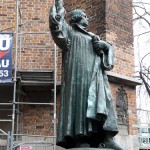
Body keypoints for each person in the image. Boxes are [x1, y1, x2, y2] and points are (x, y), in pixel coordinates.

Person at [49, 1, 124, 149]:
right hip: (78, 76)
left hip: (96, 78)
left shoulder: (92, 36)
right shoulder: (70, 32)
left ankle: (107, 138)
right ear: (77, 18)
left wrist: (106, 46)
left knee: (104, 103)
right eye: (85, 16)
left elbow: (107, 59)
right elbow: (56, 26)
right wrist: (58, 5)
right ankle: (80, 138)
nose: (87, 19)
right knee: (80, 104)